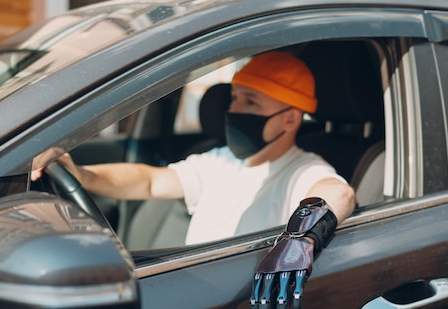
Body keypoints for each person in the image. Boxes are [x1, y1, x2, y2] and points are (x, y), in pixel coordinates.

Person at [32, 51, 355, 245]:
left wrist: (302, 240)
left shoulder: (302, 170)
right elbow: (150, 180)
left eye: (251, 102)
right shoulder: (221, 161)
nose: (234, 110)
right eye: (234, 98)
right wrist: (83, 174)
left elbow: (338, 194)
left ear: (289, 120)